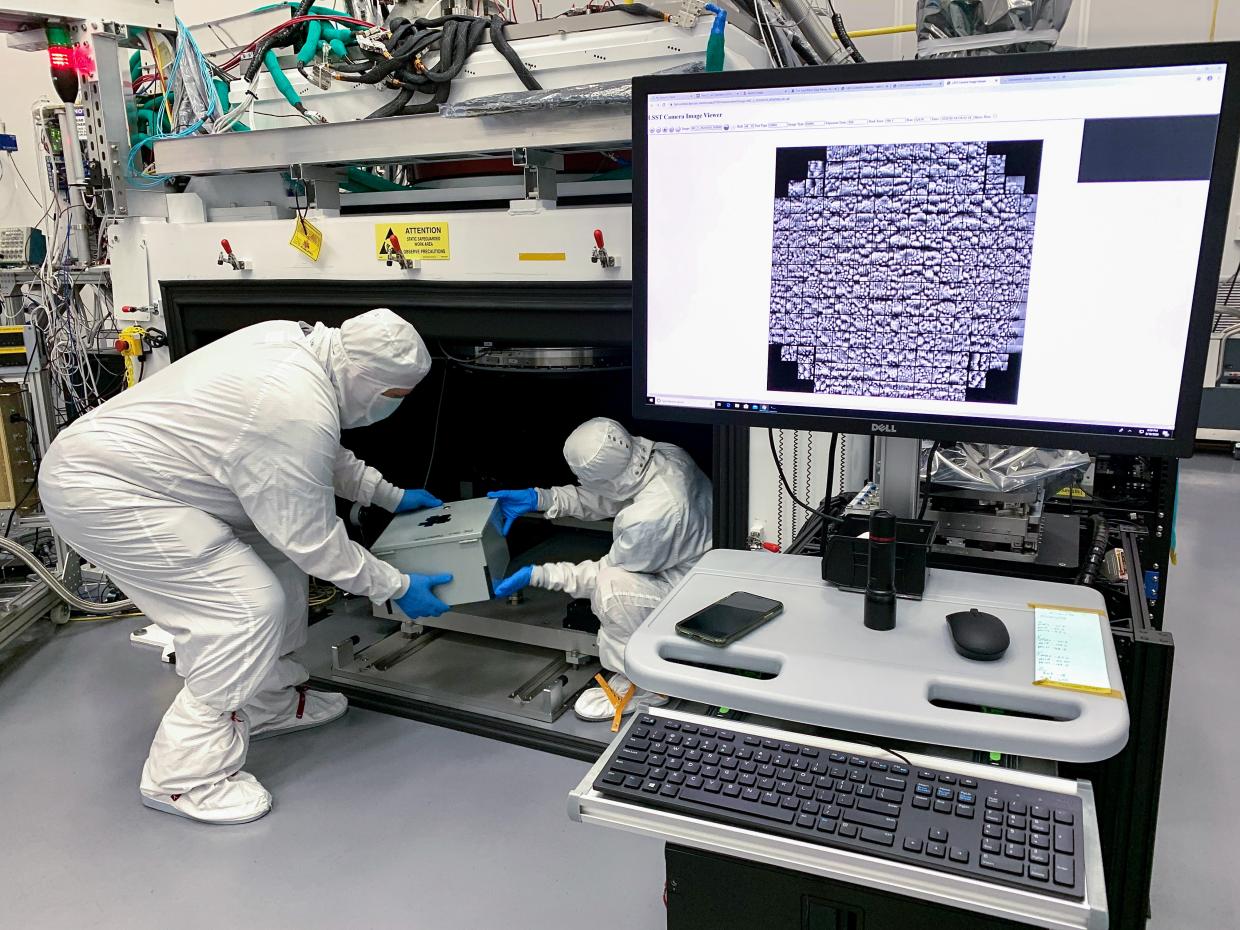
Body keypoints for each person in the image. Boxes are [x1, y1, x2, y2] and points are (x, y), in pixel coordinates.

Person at [39, 308, 453, 825]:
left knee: (272, 558)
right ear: (366, 380)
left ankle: (265, 700)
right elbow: (315, 540)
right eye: (395, 399)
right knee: (242, 610)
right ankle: (183, 777)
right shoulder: (294, 404)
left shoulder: (303, 349)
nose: (393, 409)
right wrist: (396, 585)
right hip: (103, 491)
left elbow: (317, 451)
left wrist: (386, 495)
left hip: (142, 478)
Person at [488, 417, 712, 724]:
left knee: (611, 588)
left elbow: (602, 575)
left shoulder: (653, 515)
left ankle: (646, 684)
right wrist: (542, 498)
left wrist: (538, 575)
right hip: (693, 568)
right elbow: (610, 493)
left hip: (692, 598)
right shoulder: (664, 456)